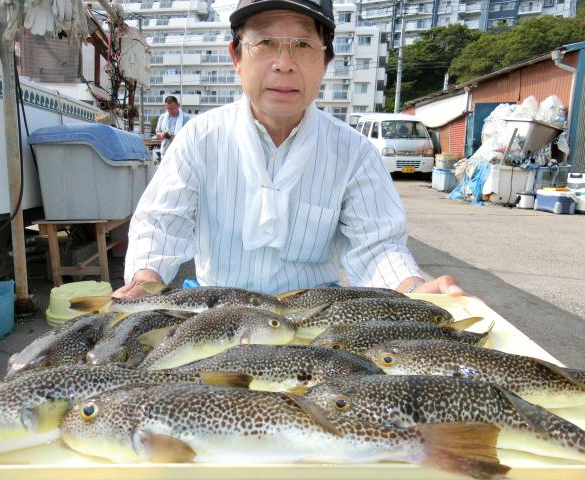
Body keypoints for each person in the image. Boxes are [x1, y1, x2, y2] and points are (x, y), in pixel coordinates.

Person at [114, 0, 466, 299]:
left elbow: (377, 247)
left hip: (313, 318)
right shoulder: (199, 138)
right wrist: (144, 279)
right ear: (236, 56)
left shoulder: (354, 153)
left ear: (325, 62)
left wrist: (412, 289)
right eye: (265, 41)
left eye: (302, 45)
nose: (284, 62)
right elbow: (161, 224)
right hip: (219, 312)